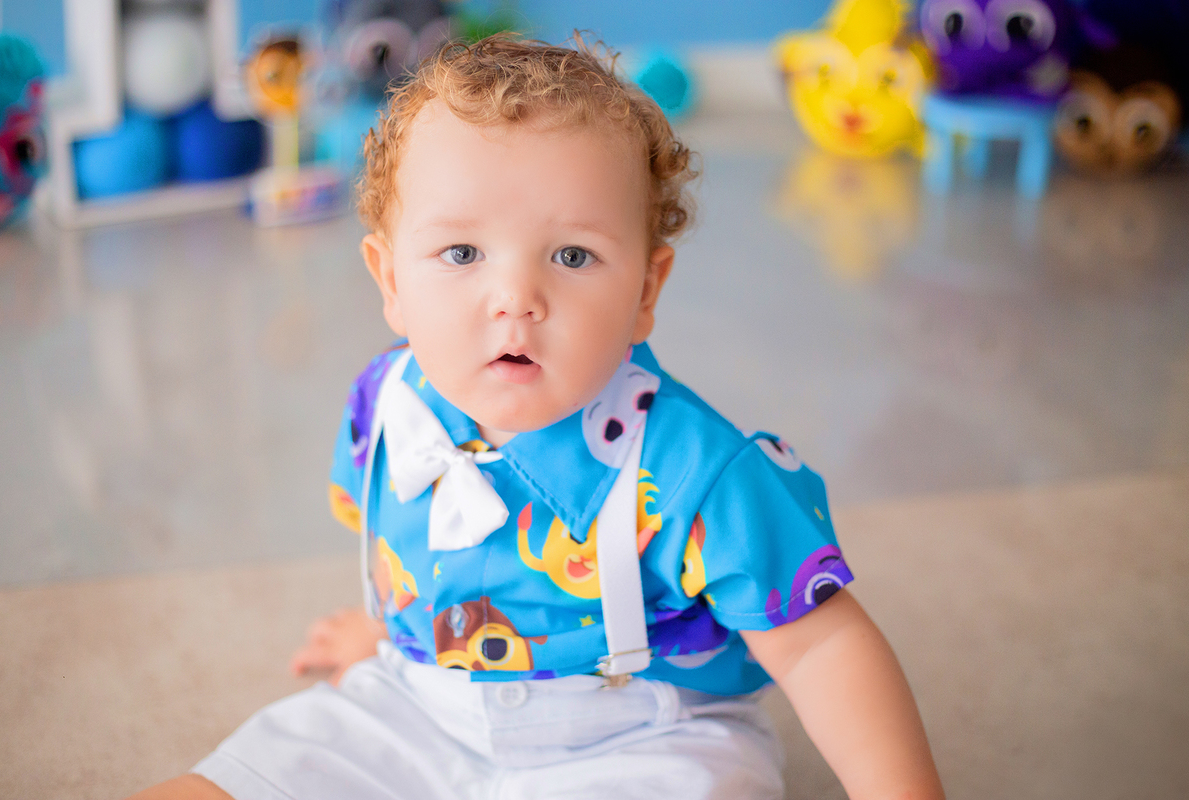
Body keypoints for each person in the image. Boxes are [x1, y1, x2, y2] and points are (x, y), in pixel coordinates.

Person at [129, 35, 944, 800]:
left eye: (573, 256)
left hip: (641, 733)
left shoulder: (699, 469)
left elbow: (822, 645)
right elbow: (402, 547)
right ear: (390, 281)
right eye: (460, 254)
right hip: (415, 704)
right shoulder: (384, 406)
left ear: (644, 292)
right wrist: (389, 637)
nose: (515, 298)